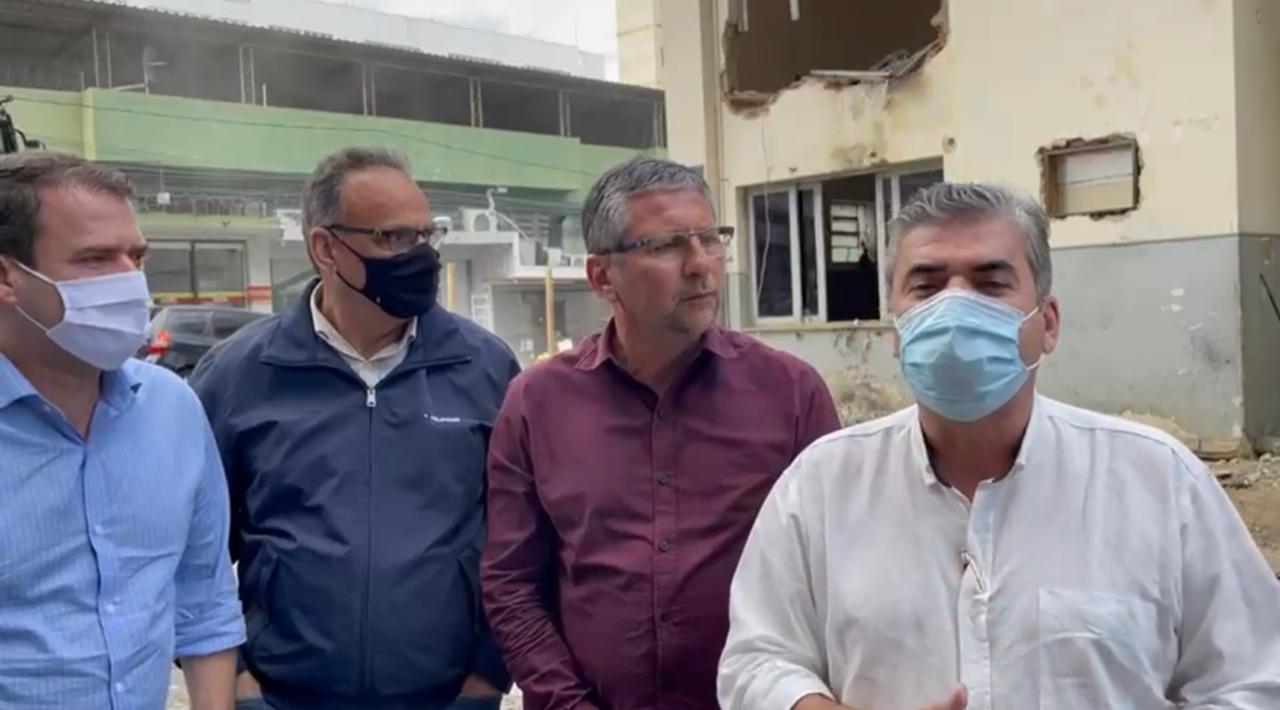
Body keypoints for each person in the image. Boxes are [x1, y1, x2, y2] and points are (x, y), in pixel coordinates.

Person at [718, 183, 1280, 710]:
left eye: (990, 284)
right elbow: (757, 660)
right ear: (897, 330)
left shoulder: (1158, 482)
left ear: (1048, 323)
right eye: (927, 286)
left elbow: (1253, 678)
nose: (954, 309)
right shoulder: (821, 485)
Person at [482, 156, 841, 710]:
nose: (700, 265)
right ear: (602, 276)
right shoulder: (537, 403)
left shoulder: (790, 394)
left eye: (710, 239)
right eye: (667, 246)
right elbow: (512, 584)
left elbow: (837, 570)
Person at [189, 147, 518, 710]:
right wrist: (238, 684)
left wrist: (487, 676)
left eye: (427, 235)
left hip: (447, 698)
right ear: (325, 248)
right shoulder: (239, 375)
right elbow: (193, 552)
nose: (421, 256)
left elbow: (522, 540)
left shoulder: (485, 367)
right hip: (282, 697)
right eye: (395, 238)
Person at [0, 152, 243, 709]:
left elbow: (204, 598)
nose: (131, 282)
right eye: (94, 258)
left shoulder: (172, 409)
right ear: (7, 276)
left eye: (136, 256)